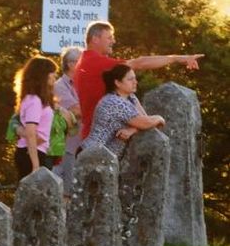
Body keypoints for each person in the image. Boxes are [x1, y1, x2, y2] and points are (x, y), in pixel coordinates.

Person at [73, 21, 201, 142]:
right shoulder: (95, 62)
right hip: (102, 140)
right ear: (95, 39)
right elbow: (139, 63)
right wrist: (176, 59)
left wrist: (134, 128)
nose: (114, 41)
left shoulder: (84, 61)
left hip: (94, 136)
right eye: (109, 37)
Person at [81, 64, 166, 157]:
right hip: (92, 156)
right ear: (117, 83)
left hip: (106, 158)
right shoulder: (114, 102)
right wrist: (159, 118)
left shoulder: (130, 98)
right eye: (130, 79)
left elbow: (146, 121)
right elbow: (146, 123)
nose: (135, 82)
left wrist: (132, 130)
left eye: (135, 78)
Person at [13, 55, 59, 178]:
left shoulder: (38, 100)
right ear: (43, 75)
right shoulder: (34, 101)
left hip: (39, 150)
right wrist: (35, 165)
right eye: (52, 73)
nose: (55, 76)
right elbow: (31, 132)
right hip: (32, 153)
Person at [53, 46, 85, 192]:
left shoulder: (82, 85)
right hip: (68, 147)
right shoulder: (59, 86)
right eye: (81, 61)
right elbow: (76, 110)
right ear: (71, 64)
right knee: (67, 192)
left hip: (83, 146)